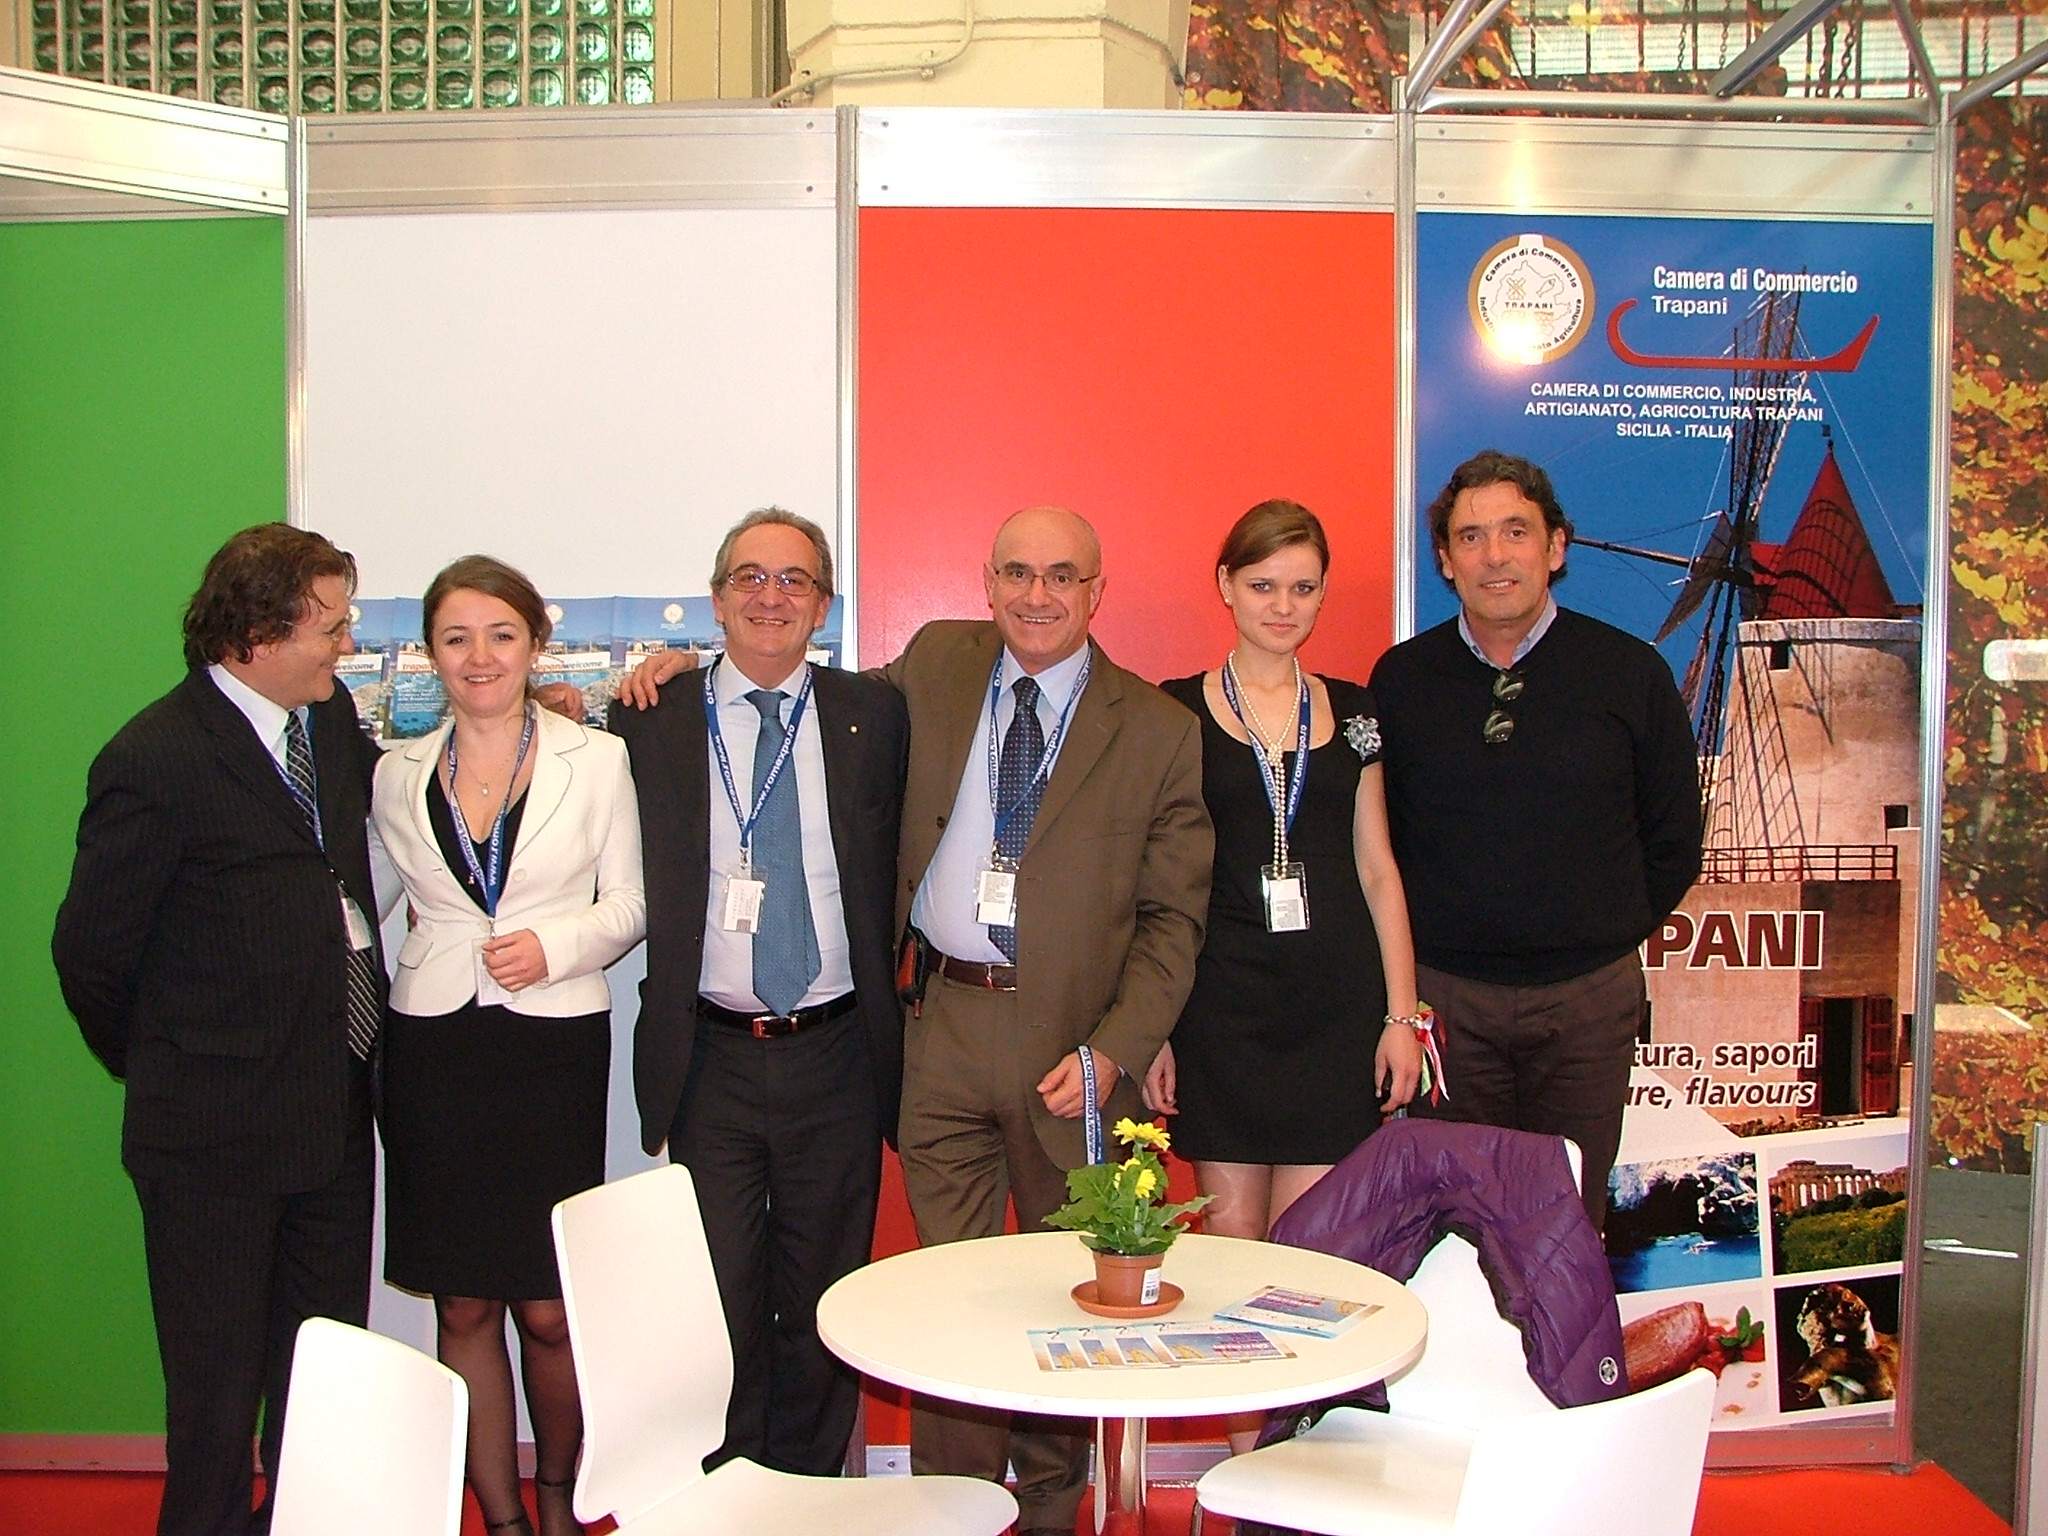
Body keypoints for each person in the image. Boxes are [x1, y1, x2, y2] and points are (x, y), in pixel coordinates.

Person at [622, 505, 1212, 1536]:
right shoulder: (936, 664)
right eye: (1017, 572)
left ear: (1095, 591)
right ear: (987, 582)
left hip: (1074, 1049)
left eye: (1061, 576)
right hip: (937, 1028)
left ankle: (1047, 1506)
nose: (1037, 595)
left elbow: (1174, 920)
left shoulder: (1157, 729)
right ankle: (958, 1507)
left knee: (1063, 1290)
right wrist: (670, 670)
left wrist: (1118, 1047)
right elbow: (782, 678)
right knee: (953, 1297)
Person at [53, 523, 385, 1536]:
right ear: (257, 634)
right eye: (330, 626)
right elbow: (92, 954)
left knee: (320, 1381)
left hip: (333, 1116)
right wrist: (178, 1065)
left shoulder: (327, 722)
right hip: (211, 1140)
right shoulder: (153, 757)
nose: (346, 644)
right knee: (214, 1399)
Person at [607, 509, 908, 1477]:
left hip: (836, 1053)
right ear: (716, 598)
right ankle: (730, 1485)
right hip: (710, 1058)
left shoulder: (874, 715)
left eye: (793, 581)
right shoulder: (650, 714)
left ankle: (807, 1488)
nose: (770, 597)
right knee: (718, 1294)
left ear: (824, 605)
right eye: (749, 577)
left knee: (822, 1294)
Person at [1142, 498, 1423, 1453]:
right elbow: (1155, 882)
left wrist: (1401, 1018)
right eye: (1264, 585)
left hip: (1335, 1009)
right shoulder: (1174, 710)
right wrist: (1157, 1028)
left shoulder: (1361, 713)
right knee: (1230, 1262)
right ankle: (1241, 1466)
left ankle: (1295, 1468)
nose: (1283, 606)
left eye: (1303, 588)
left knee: (1309, 1266)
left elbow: (1380, 871)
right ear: (1226, 586)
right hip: (1219, 1010)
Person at [372, 555, 645, 1536]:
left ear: (534, 645)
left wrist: (557, 945)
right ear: (430, 653)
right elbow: (363, 903)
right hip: (433, 1049)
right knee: (462, 1307)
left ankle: (560, 1502)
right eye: (456, 638)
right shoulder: (396, 772)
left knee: (547, 1308)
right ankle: (502, 1520)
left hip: (549, 1053)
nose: (478, 657)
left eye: (499, 635)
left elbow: (631, 904)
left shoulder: (596, 759)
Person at [1370, 450, 1702, 1226]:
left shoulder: (1630, 673)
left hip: (1586, 1005)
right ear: (1446, 560)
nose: (1495, 555)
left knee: (1568, 1226)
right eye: (1471, 536)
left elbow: (1675, 837)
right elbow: (1383, 845)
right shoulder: (1402, 682)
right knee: (1457, 1226)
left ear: (1555, 547)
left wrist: (1598, 934)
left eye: (1515, 531)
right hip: (1448, 1005)